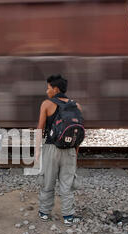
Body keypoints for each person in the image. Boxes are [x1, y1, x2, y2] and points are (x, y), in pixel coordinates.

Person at [36, 74, 83, 225]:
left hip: (51, 149)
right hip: (69, 150)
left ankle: (44, 212)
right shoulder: (77, 106)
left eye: (48, 88)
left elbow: (40, 129)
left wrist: (37, 151)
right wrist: (75, 152)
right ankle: (68, 216)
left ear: (55, 89)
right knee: (67, 184)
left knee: (48, 182)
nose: (47, 91)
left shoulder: (47, 104)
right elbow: (77, 131)